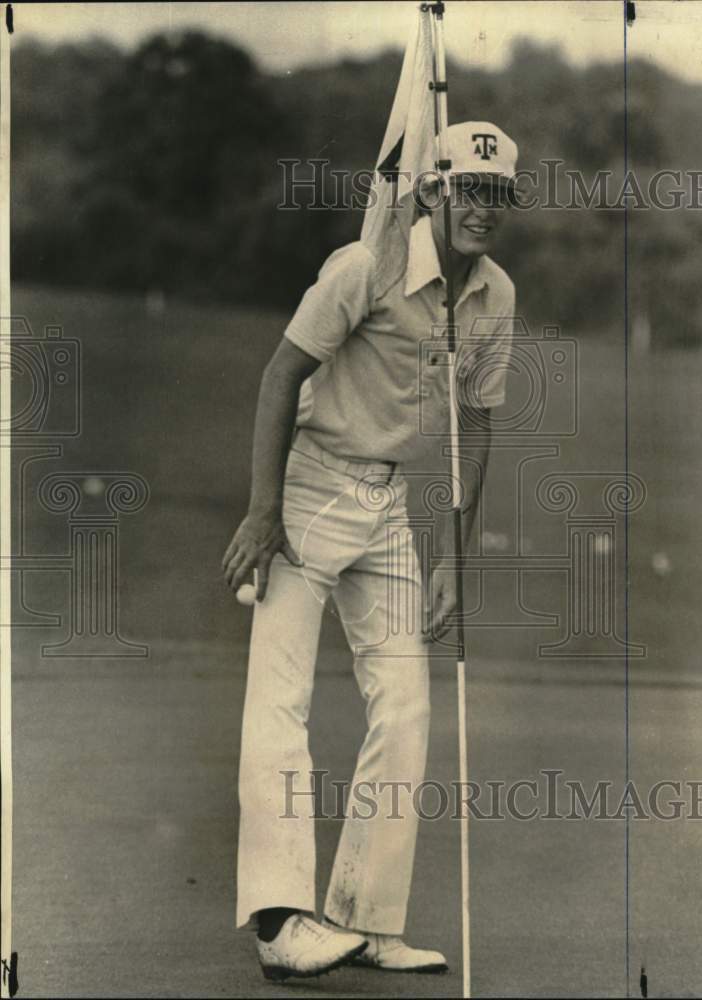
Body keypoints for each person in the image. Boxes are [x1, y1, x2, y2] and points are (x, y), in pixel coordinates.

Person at [222, 121, 518, 982]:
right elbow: (282, 374)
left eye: (499, 194)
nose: (484, 209)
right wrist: (262, 509)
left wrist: (455, 559)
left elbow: (480, 425)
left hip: (384, 503)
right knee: (280, 700)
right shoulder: (364, 266)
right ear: (430, 192)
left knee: (406, 705)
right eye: (468, 188)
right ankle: (280, 923)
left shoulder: (494, 294)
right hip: (308, 488)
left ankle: (364, 915)